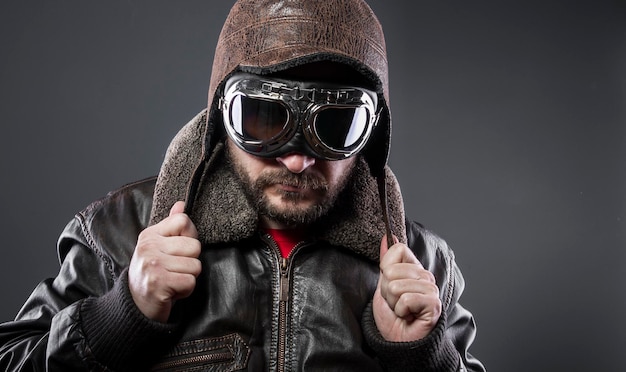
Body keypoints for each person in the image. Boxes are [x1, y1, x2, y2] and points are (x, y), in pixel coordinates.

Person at [0, 0, 485, 370]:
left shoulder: (424, 268)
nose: (297, 159)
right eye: (264, 118)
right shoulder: (117, 234)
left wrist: (425, 355)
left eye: (335, 126)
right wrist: (120, 315)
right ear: (220, 119)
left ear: (372, 135)